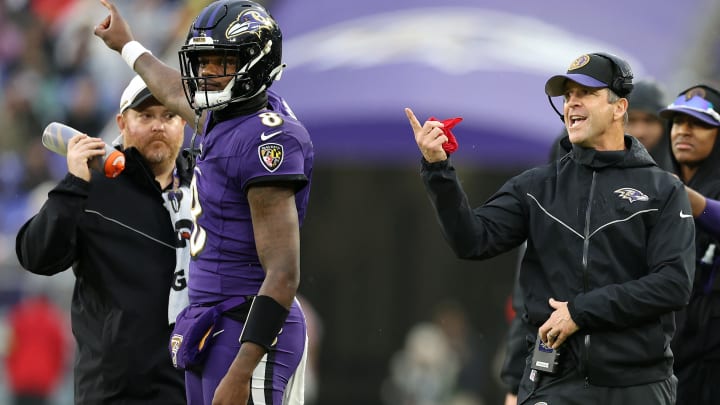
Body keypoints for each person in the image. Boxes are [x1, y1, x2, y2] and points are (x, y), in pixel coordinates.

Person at [405, 52, 695, 404]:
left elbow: (673, 285)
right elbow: (473, 240)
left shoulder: (664, 189)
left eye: (585, 93)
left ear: (619, 108)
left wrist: (580, 311)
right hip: (554, 381)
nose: (572, 102)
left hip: (639, 383)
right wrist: (439, 171)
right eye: (567, 94)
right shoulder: (536, 186)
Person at [94, 0, 314, 404]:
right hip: (213, 321)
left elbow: (283, 273)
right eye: (202, 62)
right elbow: (174, 90)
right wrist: (127, 45)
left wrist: (242, 371)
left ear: (256, 62)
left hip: (249, 328)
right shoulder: (228, 117)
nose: (206, 74)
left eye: (219, 62)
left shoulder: (267, 140)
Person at [15, 75, 189, 404]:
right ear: (122, 122)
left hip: (189, 391)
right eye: (145, 116)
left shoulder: (204, 191)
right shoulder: (91, 187)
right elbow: (35, 256)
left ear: (183, 122)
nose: (158, 126)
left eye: (168, 116)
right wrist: (73, 185)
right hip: (112, 394)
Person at [501, 79, 673, 405]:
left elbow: (672, 286)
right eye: (633, 120)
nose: (638, 129)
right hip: (562, 373)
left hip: (642, 373)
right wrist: (514, 380)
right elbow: (529, 301)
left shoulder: (670, 194)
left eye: (649, 121)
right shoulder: (549, 202)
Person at [658, 84, 720, 405]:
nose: (684, 131)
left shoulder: (668, 188)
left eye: (699, 123)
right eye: (678, 122)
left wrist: (691, 200)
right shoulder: (659, 181)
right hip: (666, 354)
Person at [4, 292, 71, 405]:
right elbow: (60, 352)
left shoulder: (18, 318)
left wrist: (11, 372)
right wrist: (56, 376)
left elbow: (9, 348)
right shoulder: (54, 322)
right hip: (43, 380)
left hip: (20, 378)